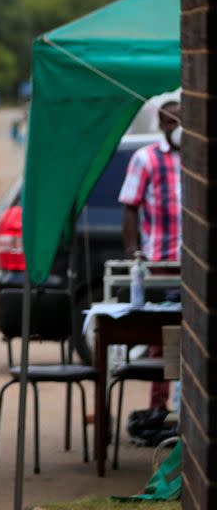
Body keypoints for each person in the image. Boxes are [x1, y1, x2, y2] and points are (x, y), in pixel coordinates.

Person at [118, 100, 182, 411]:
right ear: (160, 124)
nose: (177, 129)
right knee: (163, 338)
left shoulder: (195, 157)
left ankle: (188, 408)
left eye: (182, 122)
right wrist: (133, 250)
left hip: (193, 265)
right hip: (162, 264)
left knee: (191, 337)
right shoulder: (146, 159)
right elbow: (130, 205)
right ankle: (160, 407)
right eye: (171, 122)